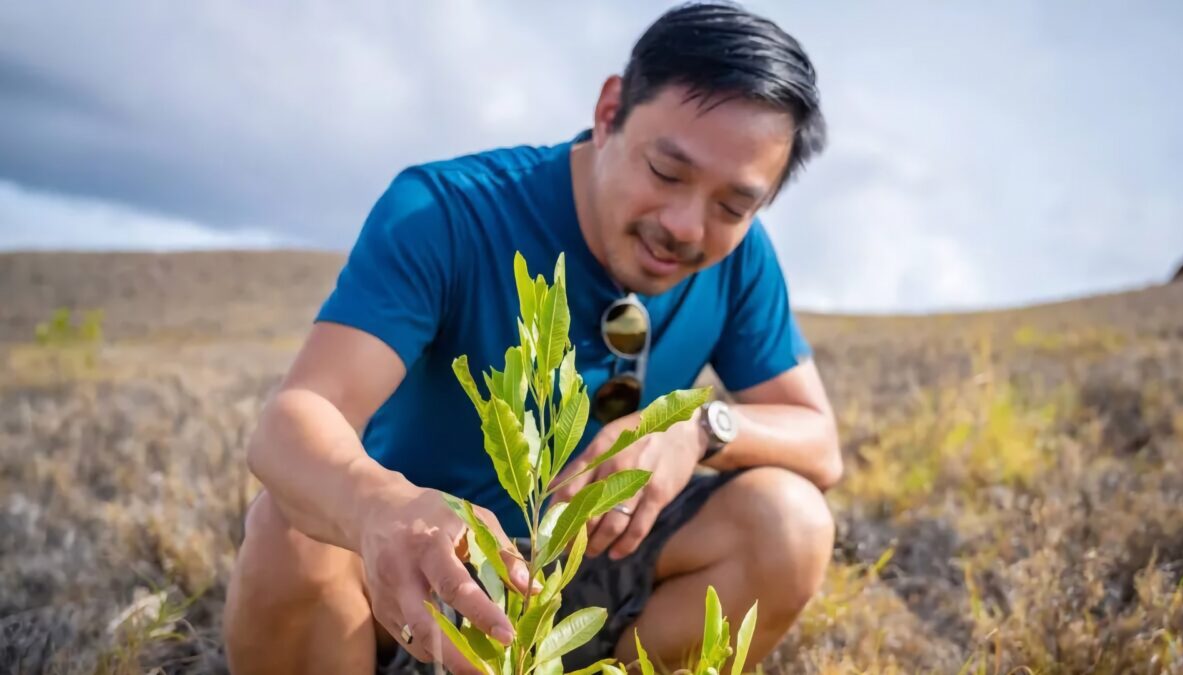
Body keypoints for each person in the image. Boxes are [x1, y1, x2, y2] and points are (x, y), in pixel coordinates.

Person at [222, 2, 842, 673]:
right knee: (291, 523)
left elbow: (818, 442)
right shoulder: (445, 212)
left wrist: (697, 427)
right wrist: (381, 507)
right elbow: (293, 423)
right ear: (610, 112)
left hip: (578, 575)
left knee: (790, 522)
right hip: (415, 572)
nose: (688, 225)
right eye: (667, 172)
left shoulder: (741, 259)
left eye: (733, 206)